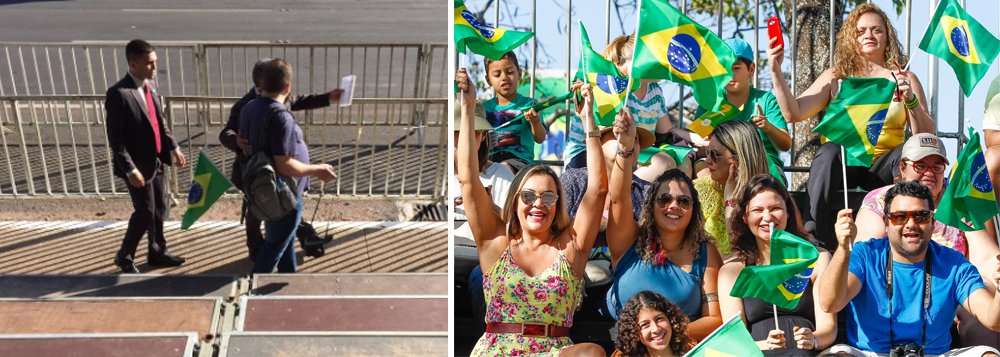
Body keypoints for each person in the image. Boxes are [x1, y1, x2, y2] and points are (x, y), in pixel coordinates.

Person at [457, 67, 605, 356]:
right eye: (528, 196)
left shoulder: (569, 248)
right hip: (499, 350)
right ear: (514, 202)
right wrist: (467, 107)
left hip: (553, 350)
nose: (538, 203)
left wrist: (589, 118)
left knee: (592, 352)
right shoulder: (496, 242)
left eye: (548, 196)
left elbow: (597, 190)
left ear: (557, 203)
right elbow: (467, 179)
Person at [768, 3, 935, 250]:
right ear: (851, 37)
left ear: (887, 35)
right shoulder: (837, 76)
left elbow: (925, 137)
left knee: (907, 153)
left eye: (876, 30)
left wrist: (909, 99)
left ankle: (908, 221)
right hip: (843, 163)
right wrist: (775, 69)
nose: (869, 35)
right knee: (828, 151)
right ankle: (817, 235)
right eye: (861, 31)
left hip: (883, 166)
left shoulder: (903, 76)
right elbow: (793, 112)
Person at [853, 133, 1000, 348]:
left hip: (951, 285)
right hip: (898, 285)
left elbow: (985, 256)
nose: (929, 173)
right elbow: (869, 251)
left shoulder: (956, 202)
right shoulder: (883, 200)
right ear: (902, 167)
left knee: (983, 296)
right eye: (920, 166)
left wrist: (996, 273)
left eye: (937, 167)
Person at [819, 182, 1000, 356]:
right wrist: (843, 249)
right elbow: (830, 303)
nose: (911, 224)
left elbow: (993, 320)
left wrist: (999, 289)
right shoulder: (866, 254)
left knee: (988, 355)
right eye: (900, 217)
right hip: (869, 353)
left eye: (921, 216)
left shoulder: (954, 263)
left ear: (932, 221)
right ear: (887, 222)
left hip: (934, 354)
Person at [605, 109, 723, 342]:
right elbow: (618, 198)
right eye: (664, 199)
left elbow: (716, 319)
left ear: (694, 209)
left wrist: (665, 334)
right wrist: (626, 149)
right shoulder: (630, 240)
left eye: (683, 201)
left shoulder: (705, 252)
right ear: (650, 205)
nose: (673, 205)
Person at [220, 59, 342, 261]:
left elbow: (299, 100)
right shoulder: (245, 105)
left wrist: (329, 97)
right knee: (257, 210)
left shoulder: (276, 95)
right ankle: (256, 249)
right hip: (257, 172)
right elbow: (225, 133)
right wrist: (236, 140)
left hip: (281, 172)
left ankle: (302, 239)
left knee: (286, 205)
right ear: (258, 83)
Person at [717, 175, 835, 355]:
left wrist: (814, 338)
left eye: (775, 208)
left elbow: (829, 328)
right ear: (744, 217)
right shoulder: (731, 271)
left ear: (788, 213)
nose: (767, 217)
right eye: (757, 210)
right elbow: (735, 339)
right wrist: (764, 344)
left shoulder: (816, 258)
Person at [105, 39, 187, 273]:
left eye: (155, 63)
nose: (154, 68)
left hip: (157, 160)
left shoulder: (151, 87)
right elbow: (116, 139)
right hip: (137, 167)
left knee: (159, 207)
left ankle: (157, 251)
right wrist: (130, 169)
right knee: (145, 212)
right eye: (150, 64)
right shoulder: (119, 94)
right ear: (133, 63)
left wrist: (173, 147)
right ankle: (124, 255)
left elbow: (159, 121)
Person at [604, 34, 698, 179]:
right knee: (663, 163)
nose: (664, 64)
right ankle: (631, 195)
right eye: (656, 59)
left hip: (645, 151)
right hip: (624, 149)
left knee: (683, 162)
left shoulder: (655, 90)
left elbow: (667, 130)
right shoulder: (617, 90)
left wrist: (696, 138)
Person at [694, 38, 790, 173]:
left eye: (736, 68)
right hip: (721, 165)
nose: (730, 74)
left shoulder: (765, 99)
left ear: (751, 69)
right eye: (724, 68)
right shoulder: (711, 101)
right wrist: (705, 142)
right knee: (701, 169)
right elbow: (695, 141)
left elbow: (786, 144)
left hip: (762, 166)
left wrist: (768, 127)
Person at [693, 120, 771, 259]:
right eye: (708, 152)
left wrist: (730, 201)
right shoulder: (698, 190)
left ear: (739, 160)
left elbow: (745, 254)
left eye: (715, 155)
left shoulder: (768, 198)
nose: (708, 160)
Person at [481, 51, 544, 173]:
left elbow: (540, 138)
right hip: (488, 163)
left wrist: (535, 121)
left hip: (519, 164)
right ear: (488, 80)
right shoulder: (483, 108)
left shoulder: (529, 105)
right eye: (497, 74)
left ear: (519, 73)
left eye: (509, 72)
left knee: (503, 168)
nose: (504, 77)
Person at [613, 291, 696, 357]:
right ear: (634, 332)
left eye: (659, 319)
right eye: (645, 325)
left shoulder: (694, 351)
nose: (656, 329)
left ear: (671, 320)